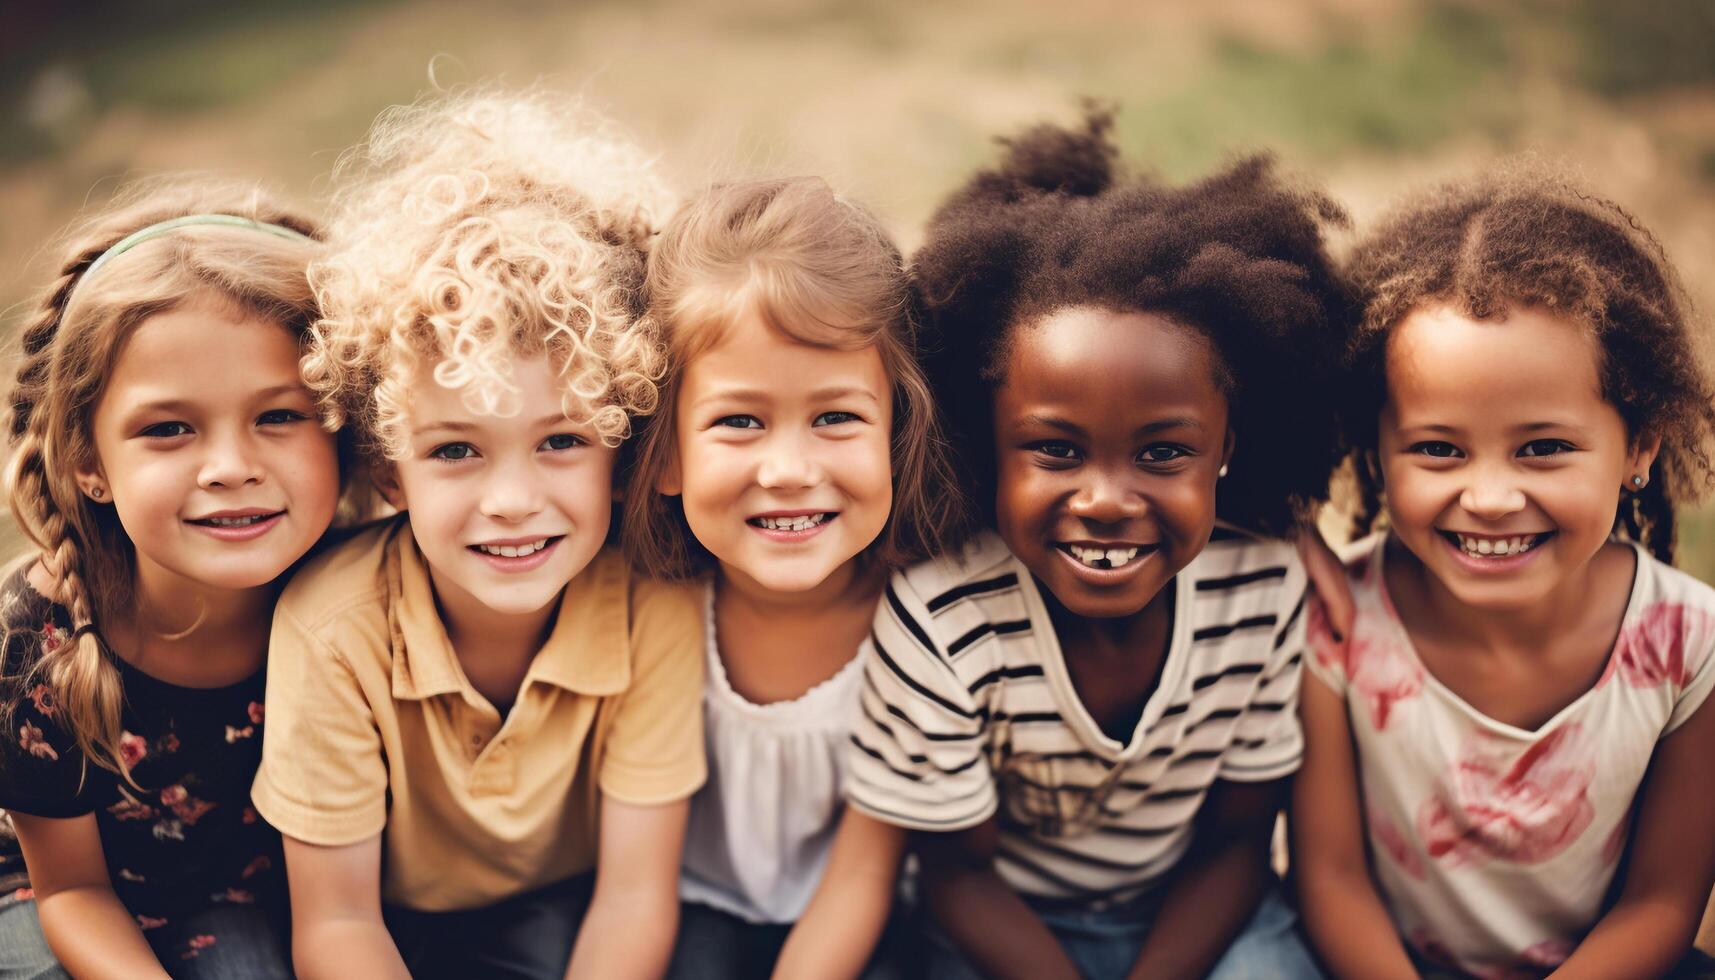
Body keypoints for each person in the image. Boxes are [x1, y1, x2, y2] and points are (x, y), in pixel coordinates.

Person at [845, 110, 1352, 980]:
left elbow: (1237, 843)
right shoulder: (943, 618)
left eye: (1162, 452)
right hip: (997, 935)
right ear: (984, 441)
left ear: (1228, 447)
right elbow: (956, 876)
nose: (1107, 500)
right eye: (1055, 449)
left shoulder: (1262, 588)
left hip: (1195, 925)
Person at [250, 91, 705, 980]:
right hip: (380, 924)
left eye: (561, 441)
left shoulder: (656, 606)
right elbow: (337, 925)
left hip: (569, 916)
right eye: (455, 449)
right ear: (390, 471)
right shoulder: (333, 626)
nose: (510, 500)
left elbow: (635, 897)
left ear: (620, 451)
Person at [1293, 168, 1715, 979]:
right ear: (1374, 446)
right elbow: (1331, 879)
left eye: (1544, 448)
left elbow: (1662, 900)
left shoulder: (1690, 646)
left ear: (1639, 447)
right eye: (1437, 449)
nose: (1488, 497)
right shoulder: (1335, 619)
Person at [0, 178, 354, 978]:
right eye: (169, 429)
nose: (230, 469)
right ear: (89, 461)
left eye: (279, 415)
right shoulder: (37, 639)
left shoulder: (365, 594)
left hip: (231, 896)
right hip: (46, 895)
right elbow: (71, 893)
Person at [625, 176, 963, 979]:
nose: (787, 471)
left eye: (835, 418)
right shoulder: (637, 600)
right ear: (666, 451)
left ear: (897, 431)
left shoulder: (926, 622)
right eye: (739, 422)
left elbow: (862, 875)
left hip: (864, 915)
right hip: (677, 902)